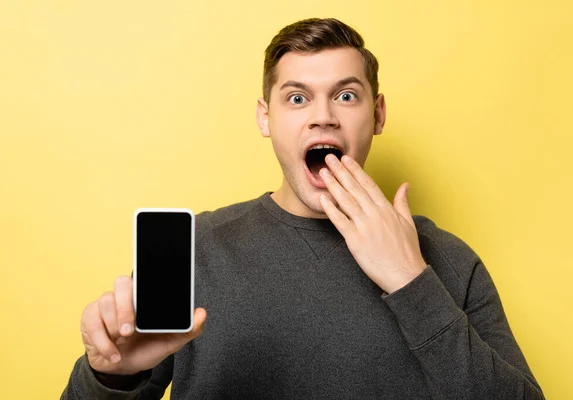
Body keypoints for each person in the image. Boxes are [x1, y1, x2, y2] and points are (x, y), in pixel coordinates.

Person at [61, 17, 545, 399]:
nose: (322, 117)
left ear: (377, 114)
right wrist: (109, 380)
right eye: (297, 98)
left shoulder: (447, 260)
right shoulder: (197, 253)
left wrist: (410, 280)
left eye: (346, 95)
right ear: (265, 117)